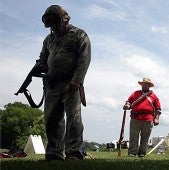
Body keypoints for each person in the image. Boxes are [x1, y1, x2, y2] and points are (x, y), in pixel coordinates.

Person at [37, 5, 91, 161]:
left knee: (74, 120)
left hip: (71, 84)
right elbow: (43, 57)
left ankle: (73, 153)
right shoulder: (49, 39)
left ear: (64, 20)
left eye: (55, 23)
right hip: (52, 85)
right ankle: (54, 153)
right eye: (50, 25)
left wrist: (77, 79)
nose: (53, 27)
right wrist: (41, 65)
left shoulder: (79, 35)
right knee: (51, 121)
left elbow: (84, 58)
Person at [123, 78, 161, 157]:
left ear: (149, 86)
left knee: (145, 137)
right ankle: (132, 152)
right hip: (135, 118)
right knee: (133, 136)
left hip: (148, 118)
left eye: (146, 84)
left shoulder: (154, 96)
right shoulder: (135, 93)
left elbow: (158, 109)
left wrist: (156, 118)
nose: (144, 85)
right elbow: (129, 101)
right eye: (143, 84)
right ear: (141, 85)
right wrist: (127, 105)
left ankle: (142, 153)